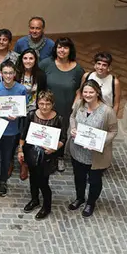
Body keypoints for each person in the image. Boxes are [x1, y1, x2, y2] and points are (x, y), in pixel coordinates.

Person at [68, 80, 118, 218]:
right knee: (79, 177)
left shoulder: (107, 111)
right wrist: (72, 128)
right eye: (85, 92)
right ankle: (79, 198)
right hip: (78, 150)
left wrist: (99, 143)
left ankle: (91, 202)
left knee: (95, 180)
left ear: (97, 93)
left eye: (91, 92)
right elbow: (72, 117)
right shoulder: (79, 104)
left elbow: (113, 131)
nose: (88, 95)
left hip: (96, 155)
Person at [18, 91, 66, 220]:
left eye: (47, 104)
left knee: (43, 181)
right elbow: (23, 134)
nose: (44, 107)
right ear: (37, 103)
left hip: (47, 155)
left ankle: (47, 206)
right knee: (33, 178)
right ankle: (34, 200)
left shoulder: (58, 118)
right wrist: (20, 150)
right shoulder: (32, 115)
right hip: (31, 152)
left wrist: (54, 148)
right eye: (41, 103)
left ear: (52, 104)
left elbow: (63, 139)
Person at [40, 37, 84, 172]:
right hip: (47, 107)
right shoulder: (46, 64)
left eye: (65, 47)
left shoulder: (77, 69)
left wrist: (75, 103)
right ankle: (43, 156)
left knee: (62, 132)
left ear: (70, 50)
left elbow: (79, 90)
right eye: (59, 47)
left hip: (66, 107)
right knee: (45, 131)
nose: (62, 50)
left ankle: (59, 157)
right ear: (55, 48)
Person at [0, 61, 28, 197]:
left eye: (10, 73)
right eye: (5, 73)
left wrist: (17, 115)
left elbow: (23, 108)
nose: (8, 76)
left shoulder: (21, 89)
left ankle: (3, 181)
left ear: (15, 74)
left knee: (6, 158)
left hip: (11, 130)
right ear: (1, 74)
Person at [18, 49, 47, 115]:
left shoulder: (41, 75)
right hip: (18, 109)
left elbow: (42, 93)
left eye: (31, 58)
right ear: (21, 60)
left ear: (35, 60)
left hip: (34, 110)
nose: (28, 61)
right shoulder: (16, 74)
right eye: (25, 58)